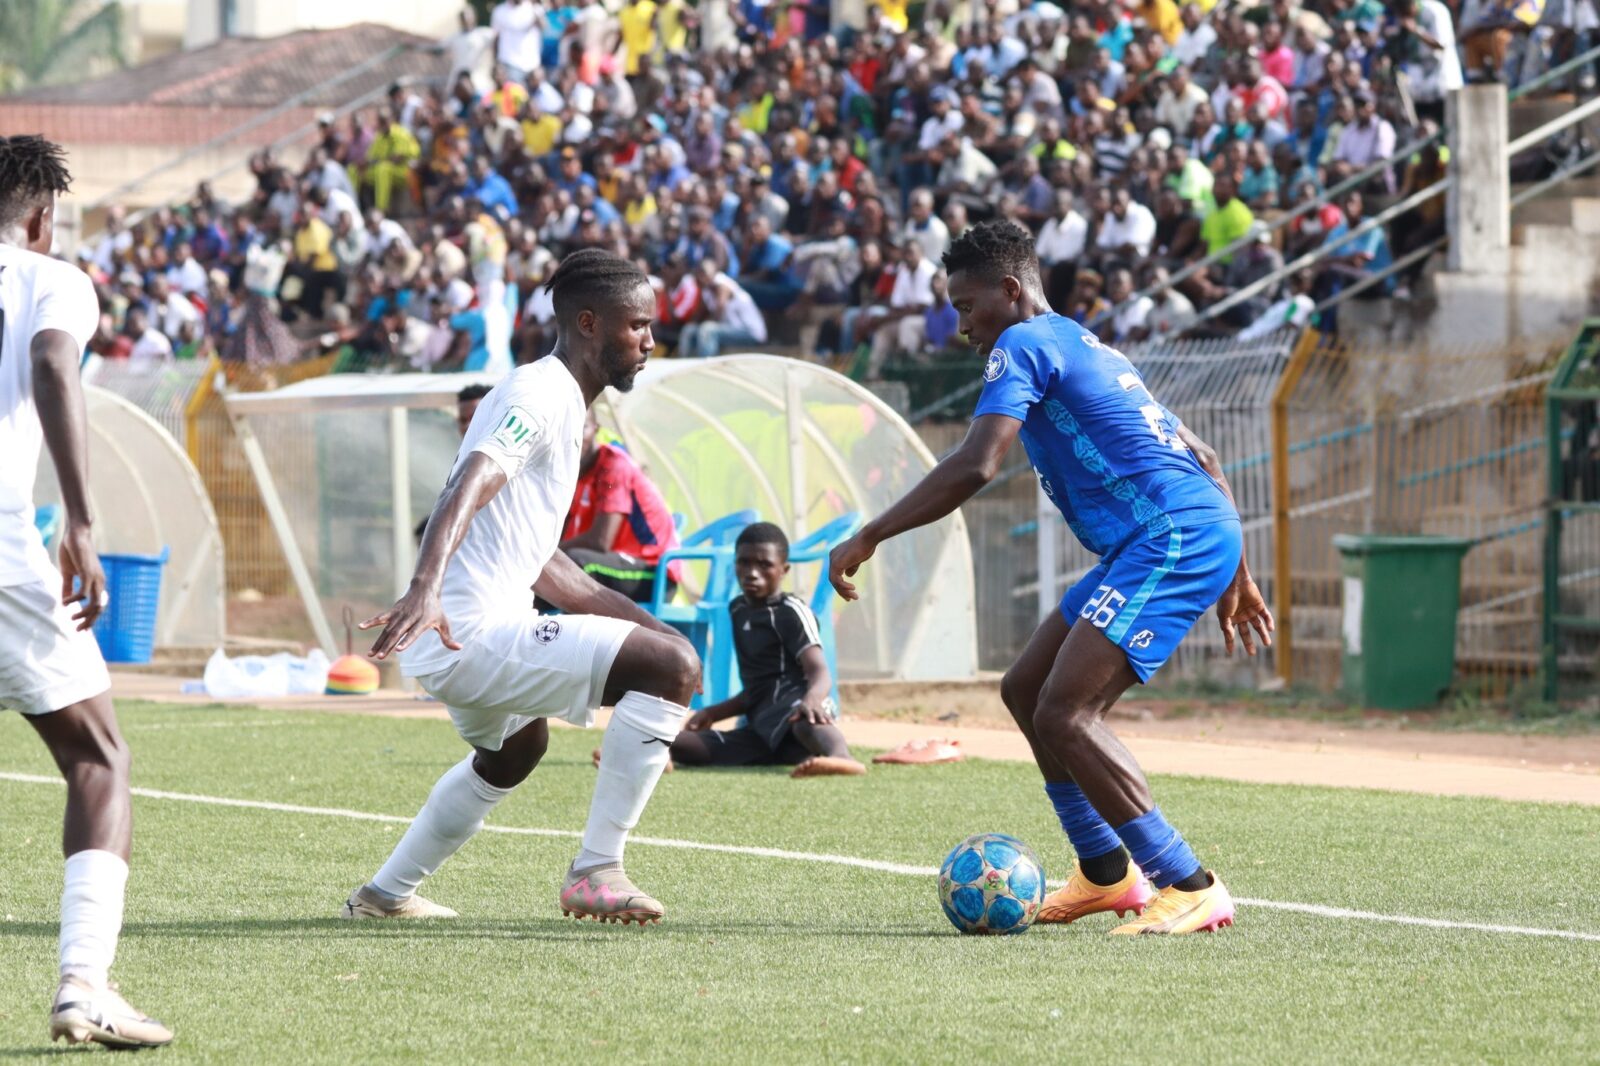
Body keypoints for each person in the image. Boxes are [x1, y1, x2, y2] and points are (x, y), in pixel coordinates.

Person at [828, 221, 1273, 936]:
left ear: (1010, 290)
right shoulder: (1085, 341)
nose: (962, 326)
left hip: (1171, 536)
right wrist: (1238, 570)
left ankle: (1188, 883)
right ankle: (1105, 873)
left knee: (1068, 712)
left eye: (967, 306)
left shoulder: (1023, 344)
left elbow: (977, 464)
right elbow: (1207, 456)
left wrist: (870, 533)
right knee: (1027, 688)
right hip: (1171, 534)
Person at [349, 249, 701, 926]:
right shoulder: (539, 394)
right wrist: (424, 587)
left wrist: (657, 633)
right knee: (671, 669)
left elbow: (555, 571)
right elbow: (470, 480)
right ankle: (596, 871)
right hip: (469, 632)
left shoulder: (561, 402)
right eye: (637, 325)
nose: (650, 341)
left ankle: (384, 896)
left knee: (517, 750)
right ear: (590, 324)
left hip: (460, 638)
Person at [0, 135, 173, 1047]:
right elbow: (51, 364)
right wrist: (80, 519)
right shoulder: (48, 277)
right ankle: (84, 984)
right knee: (99, 755)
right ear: (41, 216)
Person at [670, 523, 865, 777]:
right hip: (762, 729)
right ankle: (653, 755)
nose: (752, 573)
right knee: (677, 741)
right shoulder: (738, 610)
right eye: (744, 562)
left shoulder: (792, 611)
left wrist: (813, 700)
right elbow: (756, 690)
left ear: (784, 570)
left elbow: (820, 672)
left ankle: (841, 758)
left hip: (797, 714)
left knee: (805, 722)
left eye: (764, 565)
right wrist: (711, 713)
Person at [559, 408, 682, 602]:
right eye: (566, 430)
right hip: (617, 563)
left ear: (596, 429)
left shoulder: (613, 466)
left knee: (575, 563)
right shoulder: (575, 474)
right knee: (545, 570)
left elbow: (600, 541)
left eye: (582, 428)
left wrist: (551, 553)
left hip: (655, 573)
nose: (574, 437)